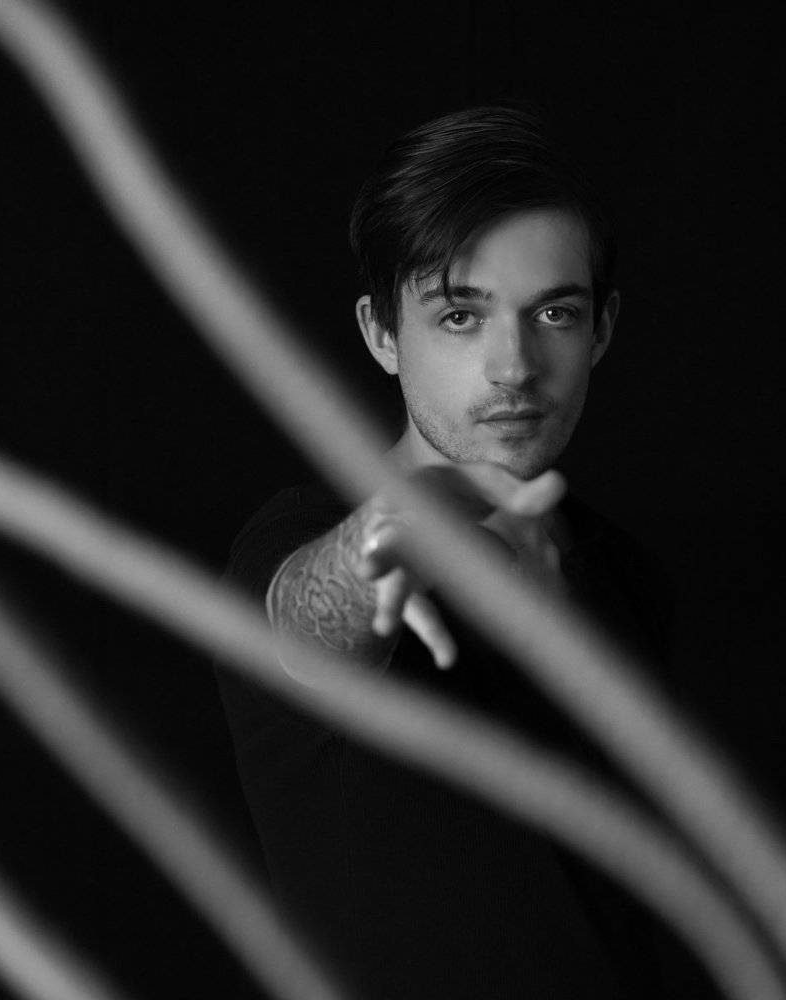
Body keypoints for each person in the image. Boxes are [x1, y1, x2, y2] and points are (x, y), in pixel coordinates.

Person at [215, 105, 685, 999]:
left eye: (555, 312)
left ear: (602, 330)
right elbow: (306, 623)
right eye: (461, 316)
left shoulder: (628, 575)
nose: (514, 365)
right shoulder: (297, 539)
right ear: (382, 333)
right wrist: (391, 535)